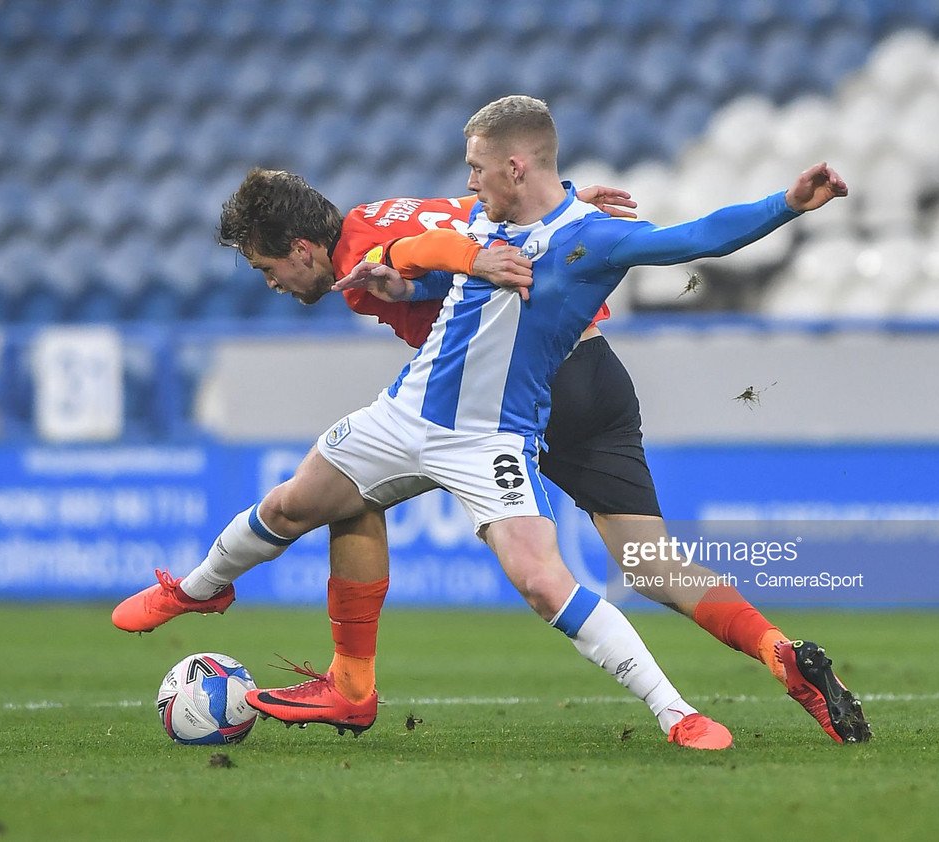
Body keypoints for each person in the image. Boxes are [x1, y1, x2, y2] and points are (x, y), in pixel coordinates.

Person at [114, 95, 869, 746]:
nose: (274, 283)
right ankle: (778, 653)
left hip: (519, 398)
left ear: (302, 246)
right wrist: (555, 205)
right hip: (595, 379)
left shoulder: (378, 254)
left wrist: (778, 206)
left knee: (391, 518)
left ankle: (333, 670)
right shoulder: (414, 222)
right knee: (650, 565)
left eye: (268, 267)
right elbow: (467, 225)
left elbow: (634, 238)